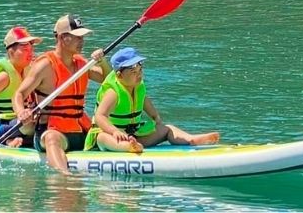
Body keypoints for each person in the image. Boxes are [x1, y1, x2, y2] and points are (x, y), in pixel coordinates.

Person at [12, 14, 110, 173]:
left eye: (82, 37)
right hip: (52, 132)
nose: (82, 41)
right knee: (52, 138)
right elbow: (19, 94)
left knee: (107, 132)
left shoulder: (81, 64)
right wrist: (21, 112)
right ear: (63, 38)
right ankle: (63, 177)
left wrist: (103, 61)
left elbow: (106, 78)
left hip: (80, 130)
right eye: (77, 37)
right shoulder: (45, 66)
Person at [88, 47, 219, 152]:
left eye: (140, 69)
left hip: (134, 135)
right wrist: (115, 131)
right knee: (103, 138)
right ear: (119, 75)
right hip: (110, 136)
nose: (138, 74)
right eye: (133, 72)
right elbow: (100, 116)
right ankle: (127, 147)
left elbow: (144, 101)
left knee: (167, 129)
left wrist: (155, 116)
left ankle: (191, 140)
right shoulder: (113, 92)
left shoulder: (138, 87)